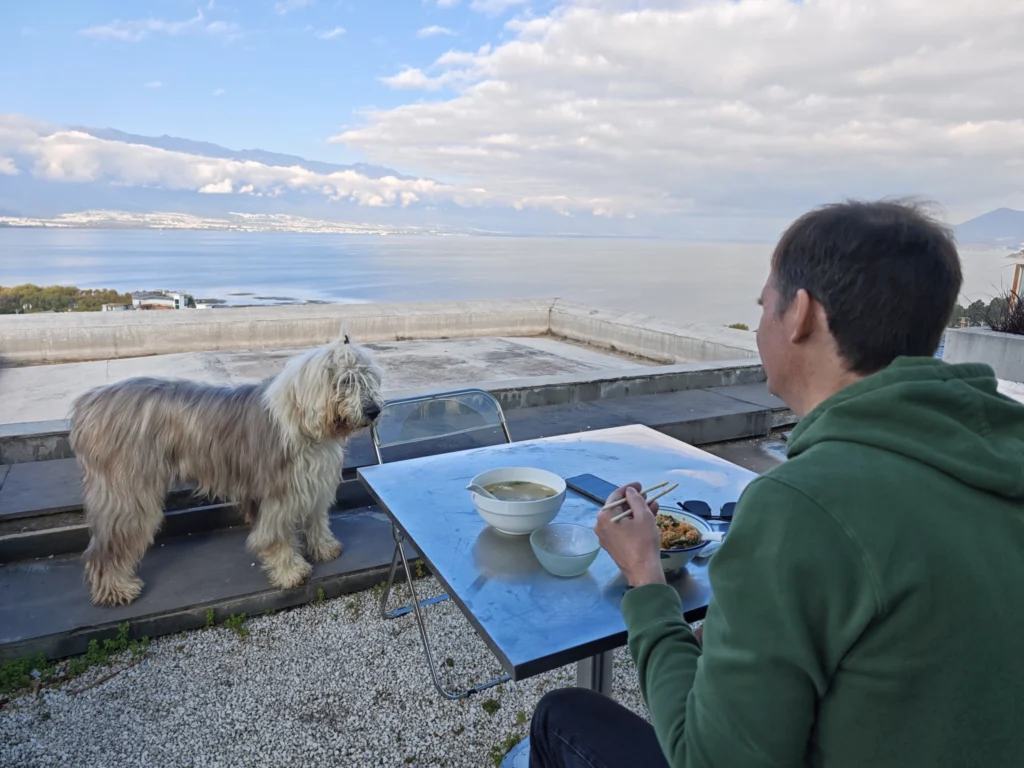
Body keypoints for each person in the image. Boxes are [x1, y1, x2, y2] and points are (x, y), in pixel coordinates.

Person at [528, 200, 1024, 768]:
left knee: (560, 716)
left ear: (801, 316)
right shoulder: (1000, 458)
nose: (761, 321)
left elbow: (707, 759)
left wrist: (644, 577)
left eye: (764, 305)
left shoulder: (803, 508)